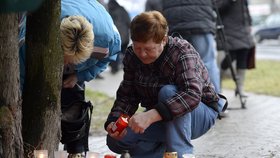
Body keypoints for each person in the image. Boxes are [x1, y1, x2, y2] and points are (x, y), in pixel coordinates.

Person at [104, 11, 227, 158]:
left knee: (168, 92)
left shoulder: (182, 51)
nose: (142, 54)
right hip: (161, 116)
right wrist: (114, 121)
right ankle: (158, 151)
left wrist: (152, 115)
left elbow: (192, 94)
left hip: (199, 115)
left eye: (148, 49)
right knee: (116, 141)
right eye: (138, 48)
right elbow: (127, 94)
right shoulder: (131, 55)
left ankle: (181, 153)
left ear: (163, 40)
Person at [19, 0, 121, 157]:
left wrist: (80, 75)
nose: (66, 64)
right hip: (43, 50)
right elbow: (20, 79)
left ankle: (76, 151)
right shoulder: (30, 38)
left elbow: (109, 57)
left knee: (74, 103)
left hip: (90, 26)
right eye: (64, 59)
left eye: (72, 61)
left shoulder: (107, 38)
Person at [162, 0, 221, 93]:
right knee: (207, 63)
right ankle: (216, 101)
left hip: (175, 20)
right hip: (201, 20)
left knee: (175, 65)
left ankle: (180, 101)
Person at [215, 0, 255, 97]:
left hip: (243, 30)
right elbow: (217, 8)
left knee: (243, 57)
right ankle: (218, 85)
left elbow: (246, 9)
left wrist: (249, 23)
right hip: (229, 30)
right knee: (229, 58)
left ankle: (240, 88)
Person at [107, 0, 131, 74]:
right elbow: (129, 21)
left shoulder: (108, 11)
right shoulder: (122, 9)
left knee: (115, 51)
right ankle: (124, 65)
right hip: (124, 34)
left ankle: (114, 67)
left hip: (114, 34)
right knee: (123, 51)